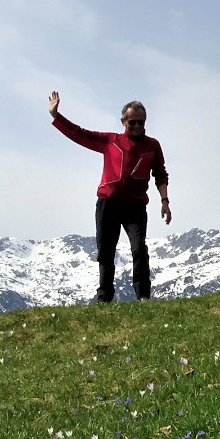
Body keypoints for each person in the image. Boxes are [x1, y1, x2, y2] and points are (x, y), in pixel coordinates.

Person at [48, 91, 171, 302]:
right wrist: (56, 116)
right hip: (108, 203)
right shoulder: (110, 141)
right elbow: (81, 134)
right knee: (105, 251)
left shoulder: (152, 146)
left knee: (139, 249)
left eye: (141, 123)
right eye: (133, 122)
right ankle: (104, 297)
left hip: (135, 206)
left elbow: (160, 174)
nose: (137, 127)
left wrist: (165, 201)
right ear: (123, 121)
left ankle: (143, 297)